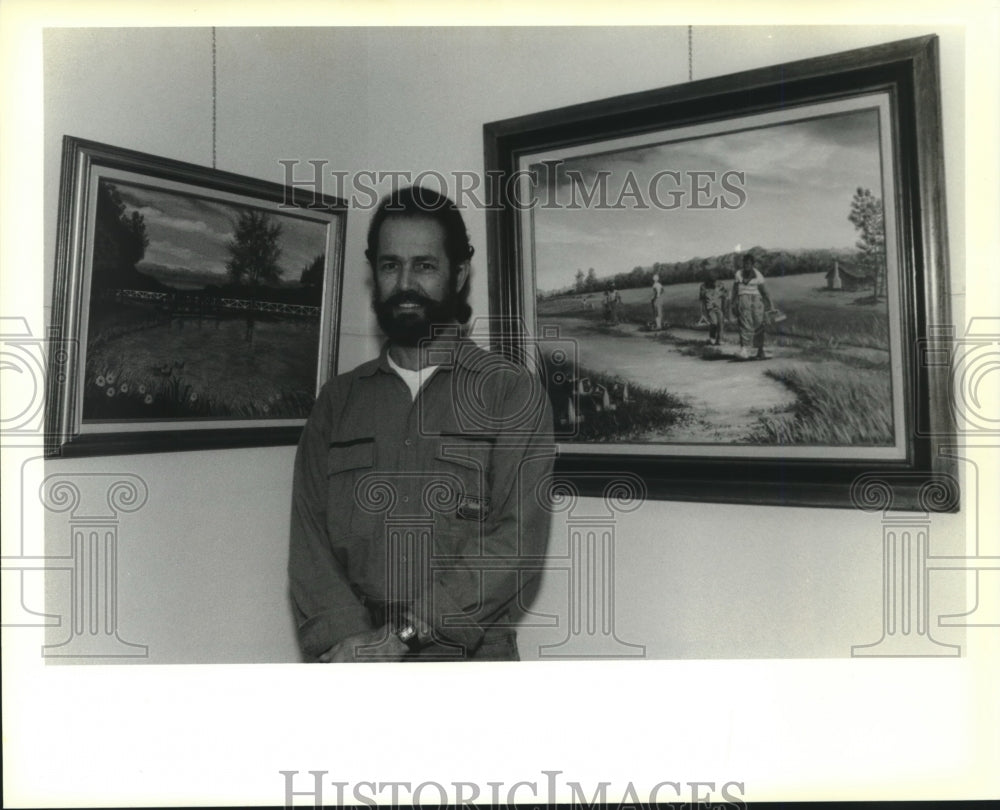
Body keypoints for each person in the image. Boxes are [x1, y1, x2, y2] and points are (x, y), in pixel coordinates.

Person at [288, 187, 555, 663]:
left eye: (424, 265)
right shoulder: (336, 403)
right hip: (352, 657)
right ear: (375, 274)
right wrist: (357, 644)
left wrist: (400, 638)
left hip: (470, 663)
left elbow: (515, 546)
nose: (405, 282)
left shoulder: (511, 394)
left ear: (459, 272)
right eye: (391, 265)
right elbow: (309, 546)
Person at [732, 253, 774, 360]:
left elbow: (764, 292)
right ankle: (744, 350)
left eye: (749, 264)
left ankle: (760, 351)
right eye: (745, 263)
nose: (746, 266)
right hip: (743, 299)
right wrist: (733, 303)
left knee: (759, 323)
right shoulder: (738, 274)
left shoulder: (758, 275)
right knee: (745, 323)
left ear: (752, 264)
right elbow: (735, 290)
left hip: (756, 300)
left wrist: (771, 305)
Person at [698, 272, 729, 346]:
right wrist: (702, 311)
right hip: (710, 308)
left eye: (714, 280)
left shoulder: (720, 285)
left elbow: (725, 295)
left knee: (721, 323)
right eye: (711, 281)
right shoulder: (703, 286)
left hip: (718, 307)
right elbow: (702, 299)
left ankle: (720, 339)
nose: (713, 282)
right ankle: (712, 337)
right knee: (714, 322)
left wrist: (725, 307)